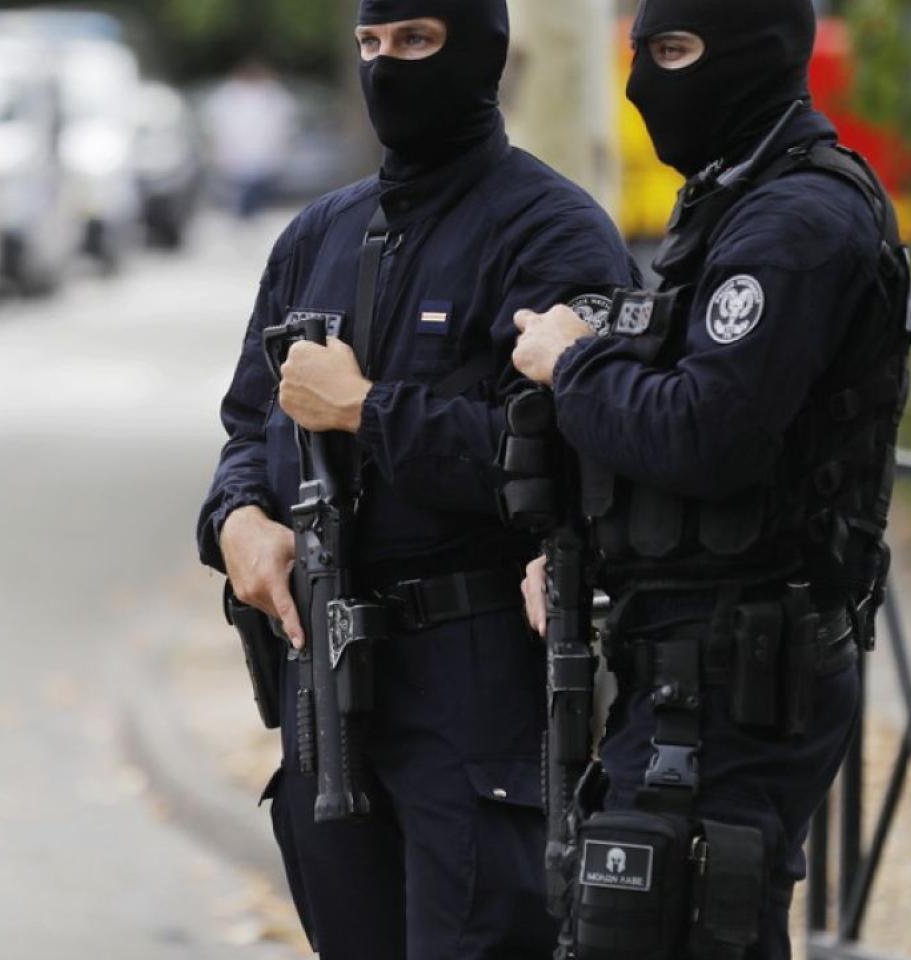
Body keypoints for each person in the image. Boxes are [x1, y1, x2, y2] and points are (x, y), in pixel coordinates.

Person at [194, 0, 636, 956]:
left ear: (479, 51)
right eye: (370, 43)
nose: (386, 66)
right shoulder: (318, 234)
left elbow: (577, 454)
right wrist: (237, 519)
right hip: (327, 688)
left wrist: (367, 409)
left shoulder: (552, 234)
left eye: (416, 41)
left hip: (473, 686)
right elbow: (247, 426)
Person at [512, 1, 911, 956]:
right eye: (642, 51)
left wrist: (572, 364)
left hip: (735, 673)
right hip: (699, 660)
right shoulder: (739, 195)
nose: (645, 82)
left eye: (676, 50)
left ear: (756, 54)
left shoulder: (794, 224)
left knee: (668, 922)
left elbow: (707, 434)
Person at [202, 59, 297, 219]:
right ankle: (245, 216)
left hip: (263, 155)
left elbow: (285, 125)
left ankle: (248, 215)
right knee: (243, 193)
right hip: (236, 155)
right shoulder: (227, 96)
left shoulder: (274, 95)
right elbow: (215, 125)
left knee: (257, 193)